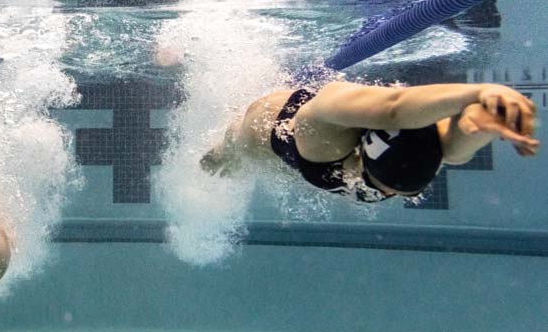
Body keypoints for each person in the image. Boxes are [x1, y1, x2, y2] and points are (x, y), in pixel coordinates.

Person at [200, 81, 539, 201]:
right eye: (387, 189)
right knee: (232, 153)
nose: (387, 196)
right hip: (261, 136)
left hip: (339, 154)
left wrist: (479, 122)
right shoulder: (324, 132)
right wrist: (480, 91)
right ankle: (220, 156)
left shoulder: (419, 141)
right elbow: (393, 109)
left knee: (451, 151)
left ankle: (481, 127)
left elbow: (449, 148)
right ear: (362, 155)